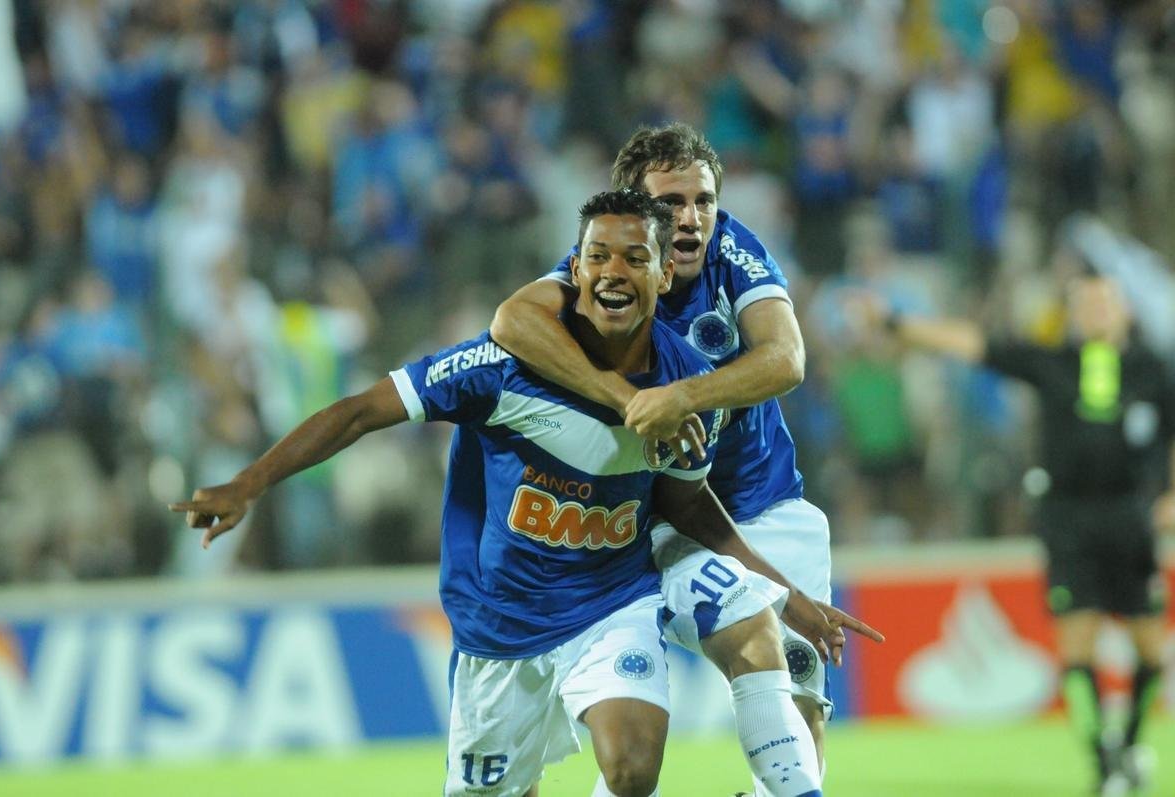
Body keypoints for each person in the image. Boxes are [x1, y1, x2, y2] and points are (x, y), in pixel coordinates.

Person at [172, 190, 846, 797]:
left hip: (610, 605)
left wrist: (780, 590)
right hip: (503, 621)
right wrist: (249, 481)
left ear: (663, 274)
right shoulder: (501, 368)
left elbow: (686, 504)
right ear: (574, 271)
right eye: (597, 255)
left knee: (634, 765)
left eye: (635, 256)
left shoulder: (691, 386)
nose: (614, 269)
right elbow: (359, 411)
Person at [490, 124, 844, 782]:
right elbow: (511, 321)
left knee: (800, 694)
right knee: (615, 738)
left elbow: (787, 357)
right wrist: (620, 396)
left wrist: (680, 396)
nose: (690, 219)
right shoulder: (607, 262)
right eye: (672, 202)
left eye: (703, 201)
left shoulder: (732, 251)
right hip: (655, 521)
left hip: (762, 502)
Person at [857, 271, 1175, 796]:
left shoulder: (1152, 369)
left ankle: (1131, 744)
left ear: (1124, 312)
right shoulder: (1052, 363)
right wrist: (895, 323)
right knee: (1078, 641)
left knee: (1150, 648)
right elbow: (972, 344)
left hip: (1132, 519)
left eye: (1104, 302)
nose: (1095, 311)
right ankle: (1105, 765)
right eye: (1086, 303)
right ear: (1072, 314)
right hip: (1068, 518)